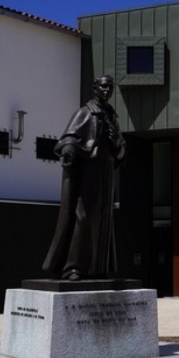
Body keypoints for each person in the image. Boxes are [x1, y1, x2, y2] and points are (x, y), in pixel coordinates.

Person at [43, 75, 126, 280]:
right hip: (90, 169)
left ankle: (97, 268)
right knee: (84, 216)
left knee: (103, 220)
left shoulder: (111, 116)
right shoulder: (85, 112)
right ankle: (73, 268)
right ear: (95, 88)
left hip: (107, 171)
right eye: (103, 86)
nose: (107, 90)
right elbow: (69, 137)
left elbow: (122, 151)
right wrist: (69, 150)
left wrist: (117, 143)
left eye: (110, 87)